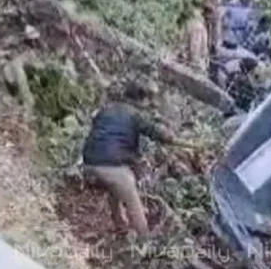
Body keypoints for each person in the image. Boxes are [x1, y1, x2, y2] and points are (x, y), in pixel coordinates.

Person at [81, 81, 198, 237]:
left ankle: (119, 224)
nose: (149, 104)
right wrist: (187, 143)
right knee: (132, 198)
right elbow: (158, 134)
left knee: (115, 185)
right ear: (141, 99)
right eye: (148, 100)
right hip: (110, 164)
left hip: (89, 161)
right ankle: (144, 240)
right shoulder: (135, 115)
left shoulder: (107, 108)